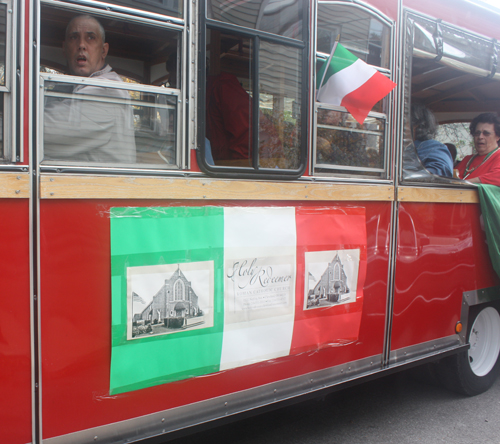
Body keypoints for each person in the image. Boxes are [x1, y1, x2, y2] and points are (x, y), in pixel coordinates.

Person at [43, 15, 136, 163]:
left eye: (90, 38)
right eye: (74, 37)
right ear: (64, 48)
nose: (81, 45)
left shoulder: (107, 90)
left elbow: (39, 132)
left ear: (104, 50)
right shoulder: (67, 85)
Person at [456, 113, 500, 185]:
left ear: (498, 136)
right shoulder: (467, 160)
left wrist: (465, 183)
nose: (480, 137)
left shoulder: (498, 156)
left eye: (486, 133)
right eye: (477, 133)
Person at [411, 103, 453, 177]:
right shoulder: (400, 148)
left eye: (403, 123)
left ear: (416, 126)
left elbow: (437, 179)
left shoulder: (434, 148)